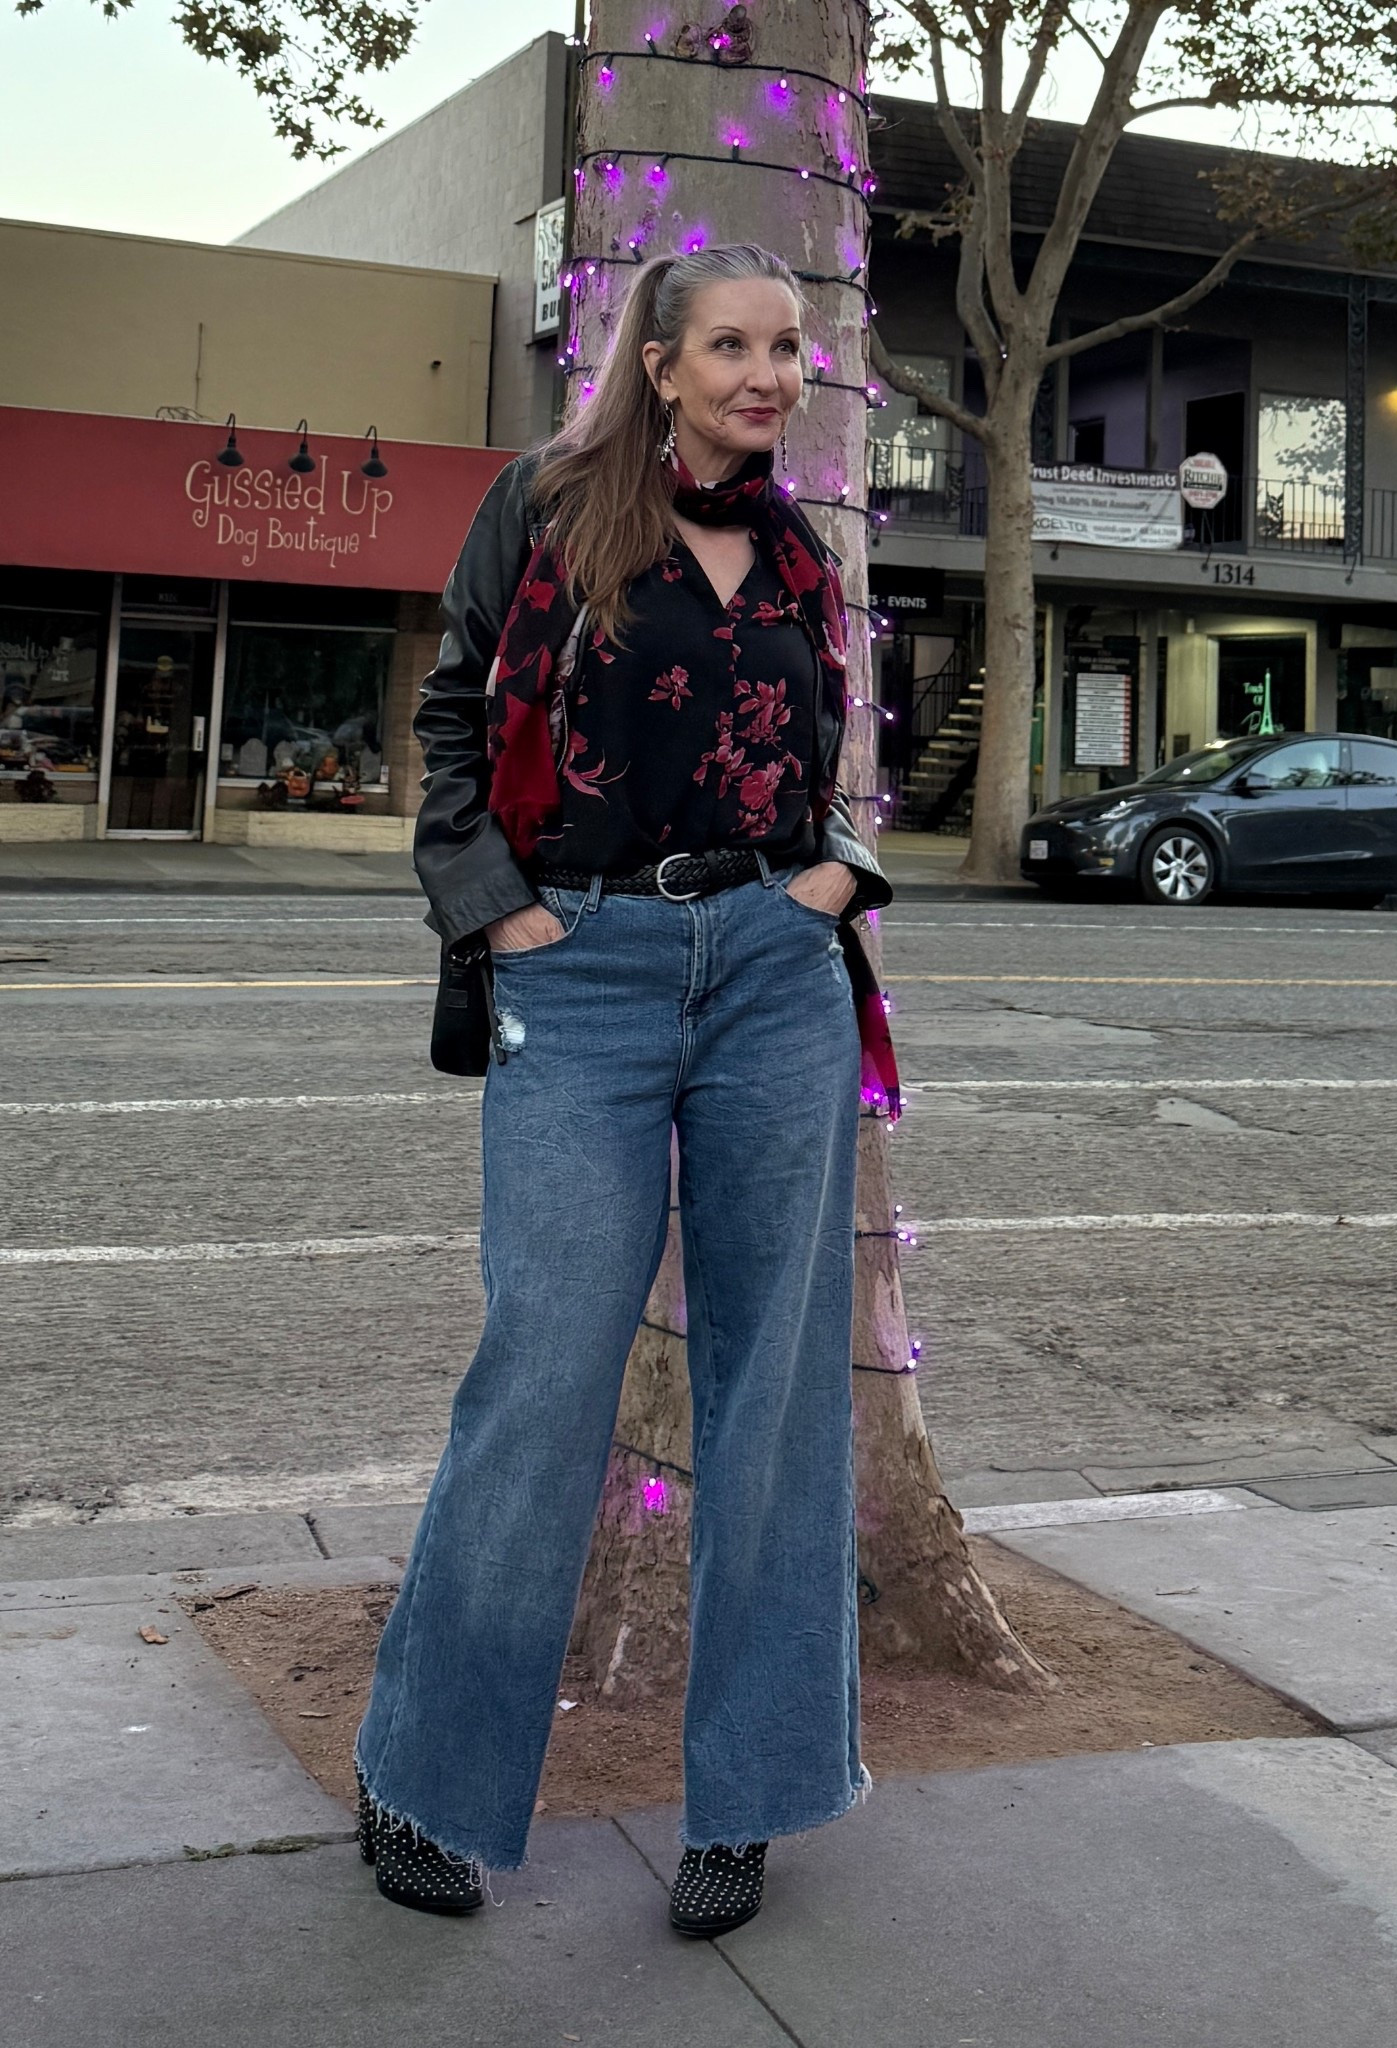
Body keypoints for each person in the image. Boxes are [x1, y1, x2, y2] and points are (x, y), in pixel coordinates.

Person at [354, 244, 896, 1936]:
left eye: (786, 348)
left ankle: (750, 1799)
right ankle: (426, 1781)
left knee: (774, 1396)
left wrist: (837, 878)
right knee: (543, 1374)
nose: (767, 374)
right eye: (730, 345)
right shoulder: (548, 504)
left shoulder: (803, 553)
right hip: (578, 969)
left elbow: (835, 748)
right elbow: (453, 715)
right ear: (659, 363)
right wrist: (493, 908)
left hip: (773, 972)